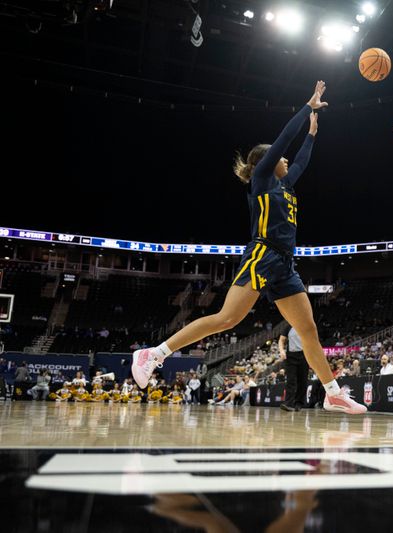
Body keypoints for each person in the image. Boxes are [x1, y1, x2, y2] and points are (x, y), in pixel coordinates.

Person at [128, 81, 364, 414]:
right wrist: (307, 107)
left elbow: (301, 161)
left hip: (285, 264)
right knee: (226, 318)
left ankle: (332, 392)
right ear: (264, 162)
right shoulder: (263, 179)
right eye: (278, 156)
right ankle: (154, 354)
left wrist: (312, 134)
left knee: (308, 328)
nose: (285, 159)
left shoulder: (285, 185)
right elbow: (284, 139)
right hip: (262, 254)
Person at [279, 327, 309, 411]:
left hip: (304, 355)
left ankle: (298, 403)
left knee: (302, 380)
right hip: (291, 356)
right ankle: (288, 403)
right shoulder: (288, 326)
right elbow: (281, 340)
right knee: (290, 380)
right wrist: (281, 350)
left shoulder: (305, 324)